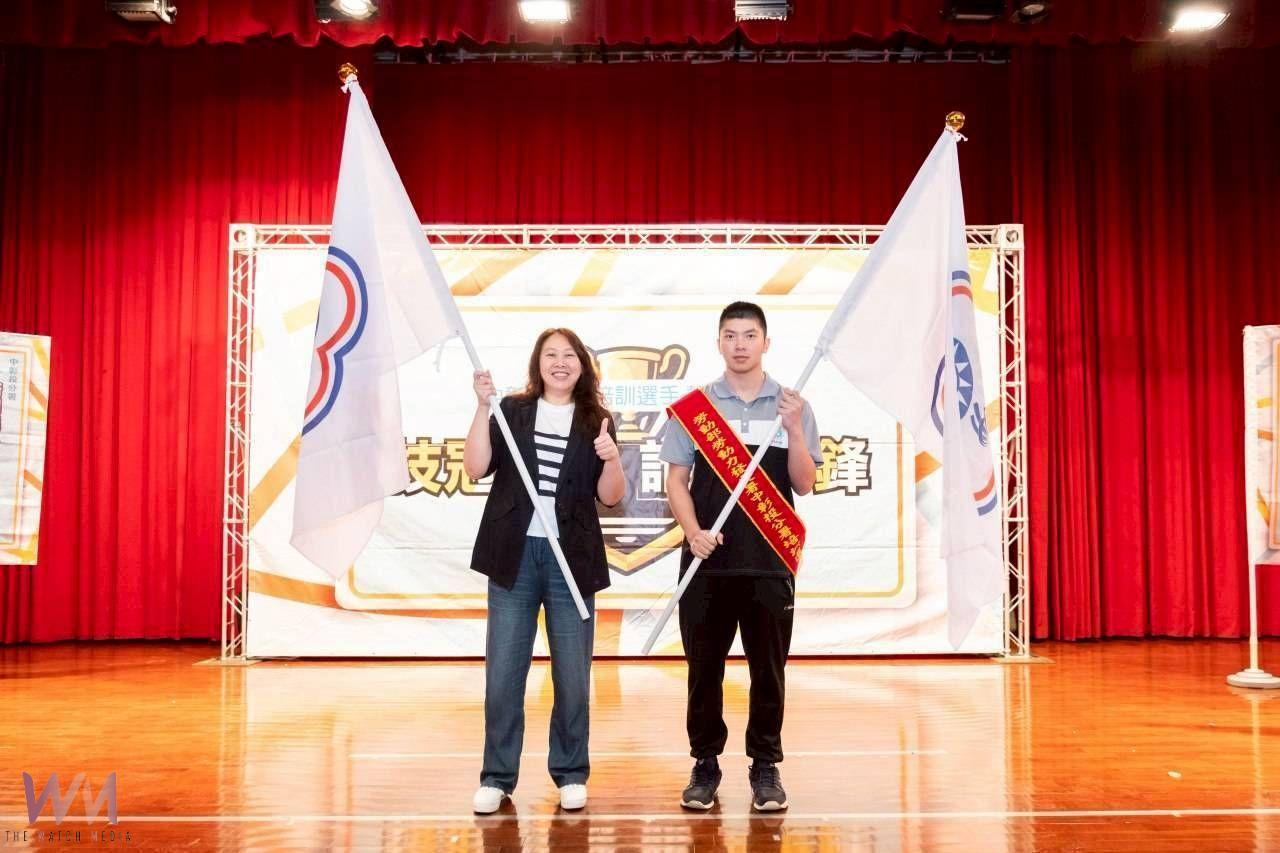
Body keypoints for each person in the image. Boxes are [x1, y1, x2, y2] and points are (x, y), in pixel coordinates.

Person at [660, 301, 821, 812]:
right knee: (703, 669)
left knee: (768, 670)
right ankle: (705, 763)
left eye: (749, 335)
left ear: (766, 342)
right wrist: (692, 533)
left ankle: (765, 766)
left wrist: (794, 430)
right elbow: (676, 481)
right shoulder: (696, 408)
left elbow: (804, 482)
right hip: (706, 562)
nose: (740, 344)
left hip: (769, 561)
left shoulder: (792, 405)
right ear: (719, 342)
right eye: (730, 335)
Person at [463, 328, 624, 814]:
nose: (559, 363)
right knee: (503, 675)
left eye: (569, 355)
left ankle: (571, 772)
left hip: (571, 560)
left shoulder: (598, 420)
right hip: (513, 556)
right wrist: (481, 407)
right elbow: (475, 467)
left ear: (583, 365)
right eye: (550, 354)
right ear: (537, 363)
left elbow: (611, 496)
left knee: (572, 675)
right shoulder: (511, 411)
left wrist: (611, 459)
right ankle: (497, 777)